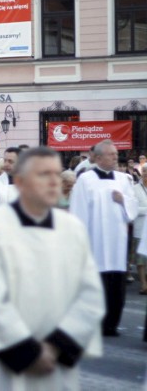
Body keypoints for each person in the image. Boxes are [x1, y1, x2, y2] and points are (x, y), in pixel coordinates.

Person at [0, 147, 105, 390]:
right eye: (43, 174)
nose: (53, 182)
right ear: (20, 182)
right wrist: (27, 352)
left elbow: (89, 295)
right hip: (0, 366)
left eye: (56, 174)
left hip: (54, 364)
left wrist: (58, 345)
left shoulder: (72, 228)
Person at [70, 140, 138, 336]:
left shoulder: (123, 179)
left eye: (116, 154)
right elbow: (79, 211)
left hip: (117, 241)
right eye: (112, 155)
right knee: (96, 284)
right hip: (95, 241)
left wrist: (123, 200)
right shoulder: (85, 179)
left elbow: (132, 208)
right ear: (98, 158)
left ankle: (112, 324)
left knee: (117, 284)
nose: (116, 158)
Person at [133, 164, 147, 294]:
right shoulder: (135, 188)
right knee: (141, 259)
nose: (145, 174)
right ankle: (143, 284)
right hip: (140, 228)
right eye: (144, 172)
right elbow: (133, 208)